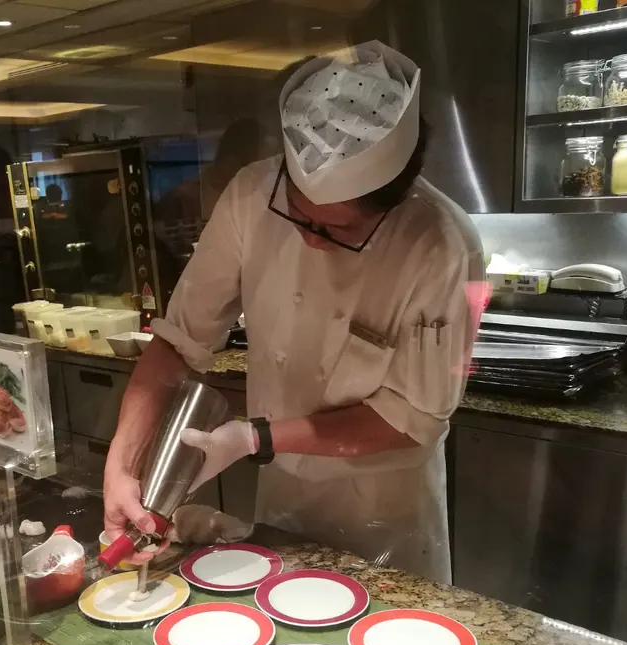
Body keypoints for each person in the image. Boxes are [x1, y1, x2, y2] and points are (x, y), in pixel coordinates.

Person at [102, 42, 486, 583]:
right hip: (283, 496)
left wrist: (253, 438)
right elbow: (176, 342)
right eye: (298, 215)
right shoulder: (251, 197)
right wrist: (121, 463)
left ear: (392, 204)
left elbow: (411, 419)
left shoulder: (444, 246)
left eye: (337, 230)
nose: (310, 239)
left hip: (387, 516)